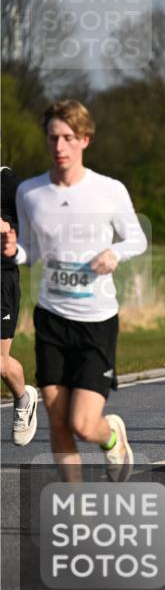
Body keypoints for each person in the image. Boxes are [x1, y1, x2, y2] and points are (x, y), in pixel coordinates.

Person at [2, 100, 147, 481]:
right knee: (58, 420)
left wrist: (115, 253)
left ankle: (111, 435)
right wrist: (13, 249)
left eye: (68, 137)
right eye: (53, 138)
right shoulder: (31, 193)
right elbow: (31, 251)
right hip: (51, 318)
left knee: (84, 423)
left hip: (95, 321)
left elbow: (137, 239)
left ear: (85, 139)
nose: (60, 146)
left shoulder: (108, 190)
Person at [1, 166, 40, 446]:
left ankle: (23, 399)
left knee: (1, 365)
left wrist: (10, 230)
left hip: (1, 278)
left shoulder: (7, 181)